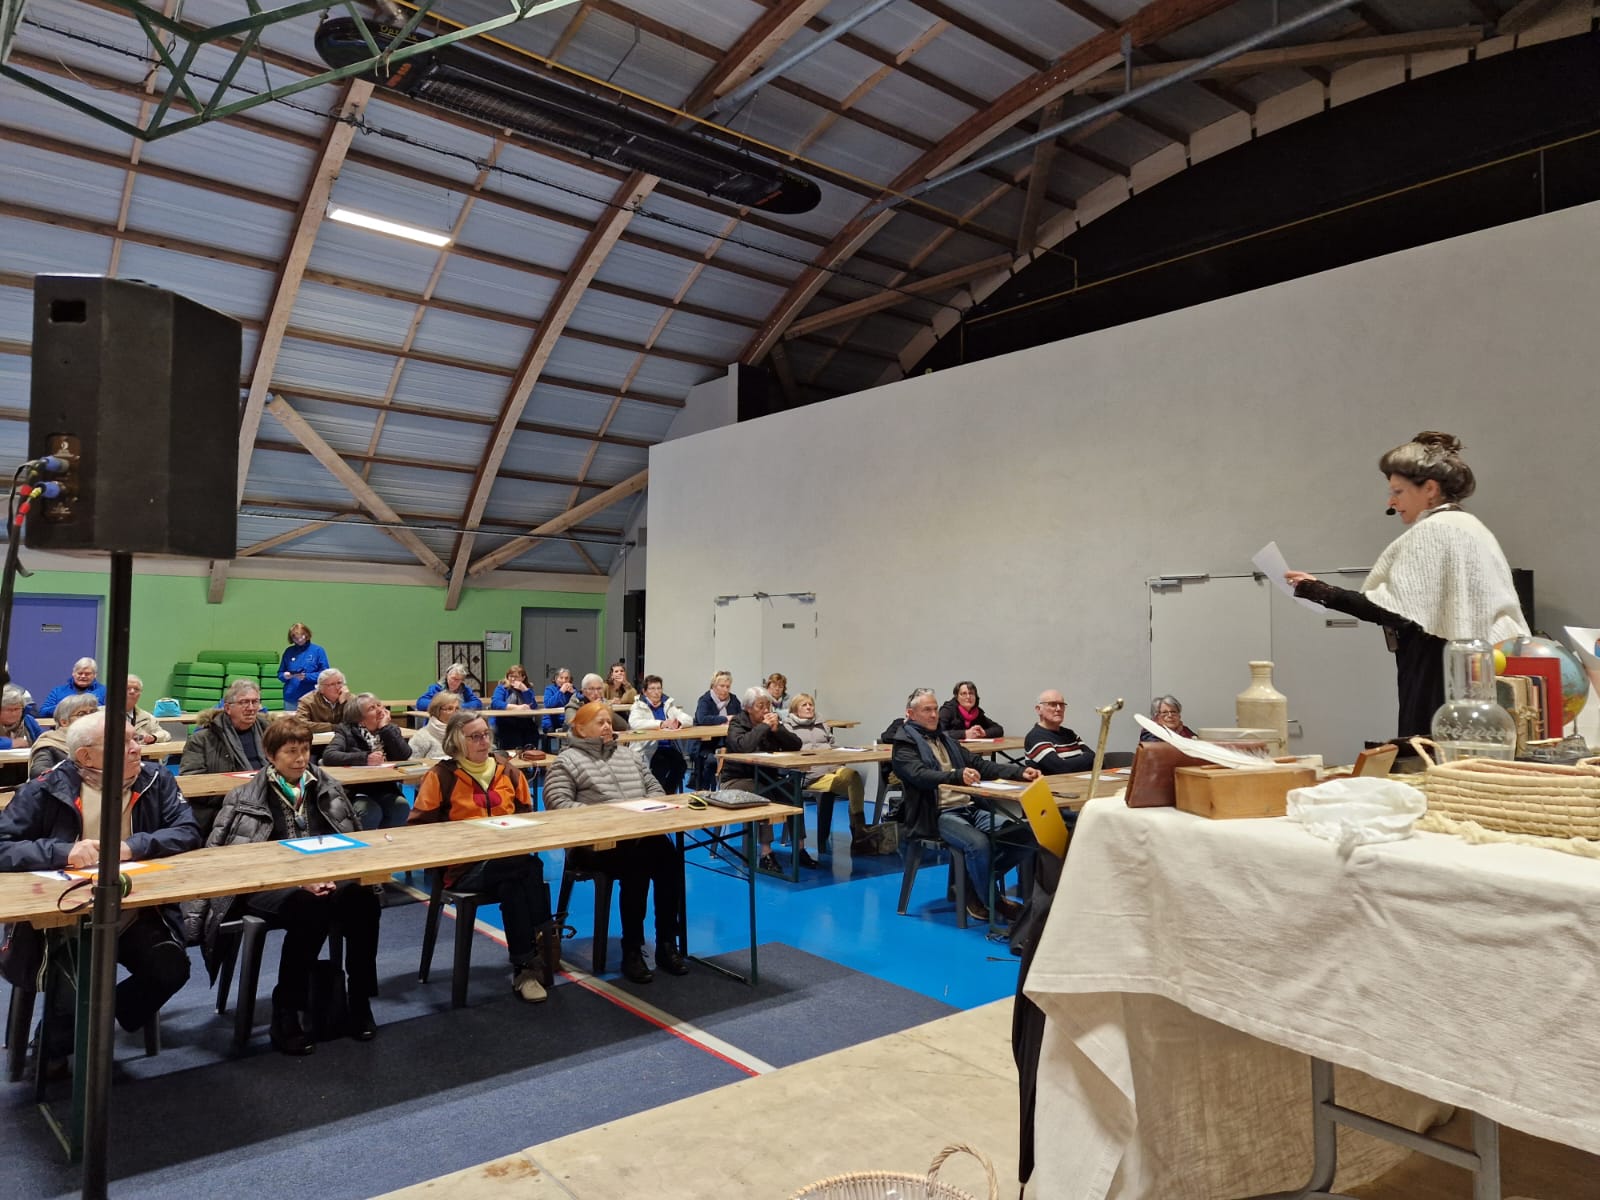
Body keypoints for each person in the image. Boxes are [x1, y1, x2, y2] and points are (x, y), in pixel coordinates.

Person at [1285, 431, 1528, 742]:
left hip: (1440, 672)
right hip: (1487, 667)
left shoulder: (1433, 531)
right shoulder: (1473, 528)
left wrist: (1320, 591)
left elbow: (1394, 610)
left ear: (1430, 489)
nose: (1391, 502)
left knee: (1430, 756)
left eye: (1398, 491)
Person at [0, 712, 200, 1067]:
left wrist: (132, 847)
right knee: (75, 979)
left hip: (136, 910)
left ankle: (97, 1019)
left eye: (135, 738)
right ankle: (53, 1048)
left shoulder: (156, 780)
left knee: (171, 967)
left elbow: (187, 831)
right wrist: (64, 852)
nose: (136, 747)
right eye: (123, 742)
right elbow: (3, 846)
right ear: (86, 756)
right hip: (64, 918)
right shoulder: (45, 788)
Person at [184, 717, 381, 1054]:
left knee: (364, 900)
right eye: (291, 751)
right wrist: (299, 881)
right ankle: (286, 1010)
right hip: (265, 885)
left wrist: (337, 875)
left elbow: (352, 839)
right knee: (309, 908)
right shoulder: (245, 796)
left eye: (305, 750)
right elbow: (223, 855)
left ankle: (359, 1001)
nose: (301, 758)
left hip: (326, 877)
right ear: (270, 755)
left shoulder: (328, 787)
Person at [408, 712, 554, 1004]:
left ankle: (525, 967)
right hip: (463, 868)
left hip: (508, 862)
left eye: (486, 734)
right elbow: (418, 829)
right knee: (529, 867)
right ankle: (543, 940)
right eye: (474, 736)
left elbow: (527, 816)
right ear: (456, 741)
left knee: (515, 881)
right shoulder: (441, 776)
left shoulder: (507, 771)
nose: (483, 741)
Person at [543, 699, 688, 984]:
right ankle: (632, 949)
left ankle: (666, 943)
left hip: (637, 835)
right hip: (592, 846)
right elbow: (558, 805)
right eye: (600, 722)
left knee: (669, 857)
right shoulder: (566, 761)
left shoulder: (628, 755)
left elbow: (654, 788)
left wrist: (650, 808)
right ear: (581, 729)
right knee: (638, 863)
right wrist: (610, 817)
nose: (607, 726)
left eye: (609, 721)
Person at [892, 688, 1040, 924]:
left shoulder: (945, 739)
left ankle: (971, 885)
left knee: (1025, 836)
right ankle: (994, 902)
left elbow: (979, 764)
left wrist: (1019, 772)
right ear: (910, 713)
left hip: (968, 807)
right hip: (936, 814)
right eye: (927, 710)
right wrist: (956, 775)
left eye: (935, 709)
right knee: (978, 845)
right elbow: (920, 775)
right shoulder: (904, 745)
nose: (934, 715)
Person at [724, 686, 809, 873]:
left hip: (768, 777)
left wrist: (778, 730)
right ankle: (766, 853)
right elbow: (742, 746)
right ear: (748, 708)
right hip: (738, 779)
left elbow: (796, 745)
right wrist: (763, 727)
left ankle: (800, 849)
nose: (765, 710)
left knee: (793, 790)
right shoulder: (738, 722)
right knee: (762, 793)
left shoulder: (773, 722)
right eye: (760, 706)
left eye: (768, 705)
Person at [783, 693, 877, 854]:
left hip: (833, 767)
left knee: (854, 777)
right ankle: (858, 834)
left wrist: (841, 755)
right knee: (844, 783)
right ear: (795, 709)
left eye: (811, 704)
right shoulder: (788, 727)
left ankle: (859, 831)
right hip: (811, 774)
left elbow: (833, 744)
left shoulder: (822, 724)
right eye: (804, 705)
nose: (809, 707)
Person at [179, 680, 272, 838]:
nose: (251, 708)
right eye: (244, 702)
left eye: (255, 702)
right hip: (222, 808)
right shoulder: (203, 739)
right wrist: (236, 794)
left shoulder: (271, 733)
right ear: (228, 708)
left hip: (267, 801)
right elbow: (191, 781)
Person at [323, 693, 413, 829]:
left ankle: (387, 840)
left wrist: (385, 729)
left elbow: (404, 755)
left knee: (400, 807)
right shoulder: (346, 731)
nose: (379, 710)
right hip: (354, 790)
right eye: (372, 708)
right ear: (360, 720)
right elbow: (329, 755)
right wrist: (365, 758)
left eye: (379, 705)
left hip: (383, 787)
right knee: (370, 811)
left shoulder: (390, 729)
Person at [629, 675, 694, 795]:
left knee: (681, 764)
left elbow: (688, 719)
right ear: (645, 691)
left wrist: (678, 722)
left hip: (668, 746)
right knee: (661, 765)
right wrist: (661, 724)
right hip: (648, 748)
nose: (656, 692)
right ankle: (656, 794)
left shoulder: (667, 704)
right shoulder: (639, 705)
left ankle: (668, 793)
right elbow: (635, 723)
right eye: (652, 688)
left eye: (659, 688)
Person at [28, 692, 99, 778]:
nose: (89, 717)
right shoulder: (50, 743)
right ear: (64, 722)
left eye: (93, 712)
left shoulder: (102, 739)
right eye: (81, 714)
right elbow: (38, 771)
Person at [1024, 691, 1095, 772]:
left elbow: (1096, 759)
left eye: (1061, 705)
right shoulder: (1035, 737)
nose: (1059, 709)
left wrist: (1088, 759)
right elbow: (1061, 768)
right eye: (1052, 704)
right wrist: (1087, 757)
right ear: (1038, 709)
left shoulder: (1070, 734)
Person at [692, 670, 740, 789]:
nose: (725, 689)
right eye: (722, 686)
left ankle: (728, 788)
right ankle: (705, 789)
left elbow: (740, 717)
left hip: (728, 742)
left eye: (728, 686)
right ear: (714, 686)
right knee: (712, 761)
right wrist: (725, 718)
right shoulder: (705, 700)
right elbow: (702, 719)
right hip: (706, 744)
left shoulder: (733, 700)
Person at [277, 623, 329, 710]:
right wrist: (285, 676)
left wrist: (306, 676)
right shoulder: (289, 651)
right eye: (295, 638)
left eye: (301, 636)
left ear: (307, 635)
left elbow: (325, 675)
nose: (299, 640)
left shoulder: (318, 651)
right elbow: (280, 673)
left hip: (311, 698)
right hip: (291, 698)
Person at [38, 657, 107, 718]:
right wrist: (67, 707)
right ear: (73, 673)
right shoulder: (58, 691)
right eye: (80, 673)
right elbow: (43, 713)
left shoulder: (104, 691)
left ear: (95, 675)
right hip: (64, 728)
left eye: (87, 674)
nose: (83, 676)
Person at [491, 664, 540, 750]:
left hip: (525, 721)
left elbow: (533, 706)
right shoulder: (502, 688)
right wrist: (517, 708)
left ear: (523, 678)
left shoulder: (527, 689)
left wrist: (525, 690)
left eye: (516, 677)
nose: (513, 679)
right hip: (506, 721)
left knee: (532, 734)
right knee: (514, 737)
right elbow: (495, 703)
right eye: (511, 676)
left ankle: (530, 754)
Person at [297, 668, 360, 733]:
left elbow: (359, 722)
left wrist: (346, 703)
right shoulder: (307, 701)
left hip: (346, 738)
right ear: (321, 688)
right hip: (319, 739)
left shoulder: (351, 699)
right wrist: (333, 727)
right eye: (332, 684)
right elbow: (301, 724)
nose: (337, 687)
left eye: (339, 683)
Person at [938, 681, 1005, 740]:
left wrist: (984, 733)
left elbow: (999, 729)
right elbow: (938, 732)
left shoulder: (977, 713)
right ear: (957, 697)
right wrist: (964, 734)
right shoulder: (947, 710)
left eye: (971, 693)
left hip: (973, 749)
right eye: (964, 693)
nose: (968, 697)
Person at [565, 673, 630, 731]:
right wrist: (593, 709)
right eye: (591, 689)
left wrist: (605, 709)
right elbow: (574, 726)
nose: (596, 693)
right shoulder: (574, 704)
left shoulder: (604, 703)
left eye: (599, 689)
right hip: (581, 740)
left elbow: (623, 726)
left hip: (602, 739)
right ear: (583, 691)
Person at [408, 691, 459, 760]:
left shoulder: (462, 734)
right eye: (450, 709)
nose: (455, 713)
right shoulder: (422, 737)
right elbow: (411, 762)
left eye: (457, 709)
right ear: (437, 711)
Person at [417, 664, 483, 716]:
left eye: (458, 680)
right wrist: (444, 705)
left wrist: (457, 707)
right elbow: (421, 703)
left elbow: (477, 703)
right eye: (453, 678)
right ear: (447, 676)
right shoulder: (437, 688)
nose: (455, 682)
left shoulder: (465, 690)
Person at [125, 675, 166, 745]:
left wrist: (154, 737)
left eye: (136, 689)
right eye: (127, 688)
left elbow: (165, 735)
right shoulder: (104, 714)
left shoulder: (146, 717)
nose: (132, 691)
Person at [0, 683, 42, 749]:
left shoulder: (28, 721)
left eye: (17, 709)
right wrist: (12, 743)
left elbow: (43, 739)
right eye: (9, 710)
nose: (14, 714)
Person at [541, 667, 575, 732]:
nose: (564, 681)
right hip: (551, 721)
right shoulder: (549, 689)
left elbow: (578, 703)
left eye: (566, 678)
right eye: (561, 678)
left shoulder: (572, 689)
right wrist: (561, 691)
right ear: (556, 678)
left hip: (566, 720)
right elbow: (548, 704)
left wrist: (574, 693)